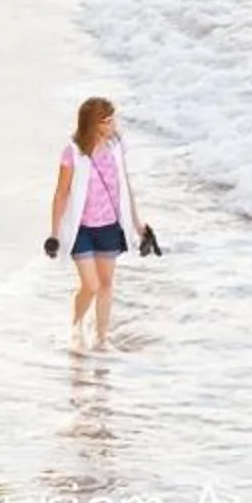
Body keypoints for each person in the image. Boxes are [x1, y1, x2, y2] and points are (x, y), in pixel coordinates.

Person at [45, 95, 148, 349]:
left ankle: (102, 340)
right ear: (94, 124)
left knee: (106, 285)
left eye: (113, 119)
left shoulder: (116, 146)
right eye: (108, 120)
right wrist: (54, 234)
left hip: (110, 226)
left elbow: (126, 189)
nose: (114, 124)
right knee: (90, 286)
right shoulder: (73, 153)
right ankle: (77, 326)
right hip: (81, 228)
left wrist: (138, 226)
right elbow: (61, 193)